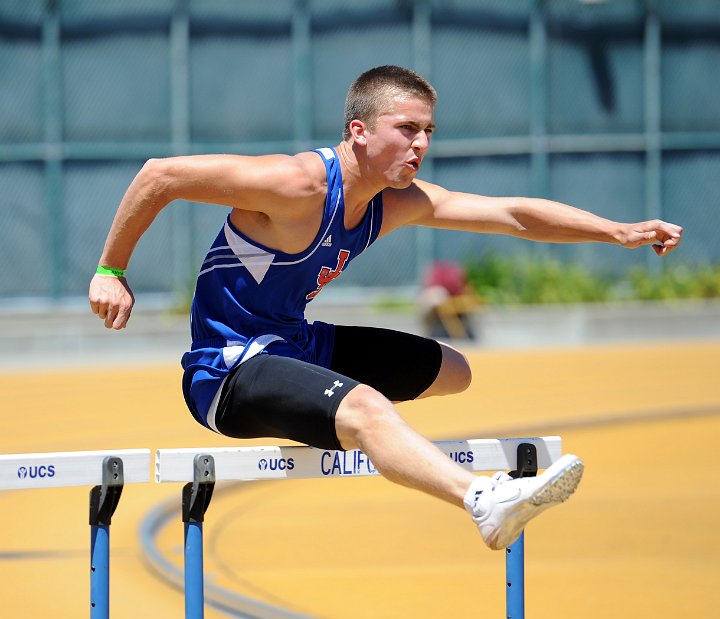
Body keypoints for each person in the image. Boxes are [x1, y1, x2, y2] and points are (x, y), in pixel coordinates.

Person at [89, 65, 682, 550]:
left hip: (293, 343)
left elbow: (511, 214)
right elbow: (158, 175)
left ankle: (322, 415)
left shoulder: (393, 201)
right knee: (368, 409)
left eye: (428, 131)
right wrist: (111, 270)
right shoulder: (295, 184)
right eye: (407, 129)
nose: (421, 144)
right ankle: (483, 501)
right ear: (360, 132)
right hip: (226, 371)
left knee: (454, 371)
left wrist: (618, 231)